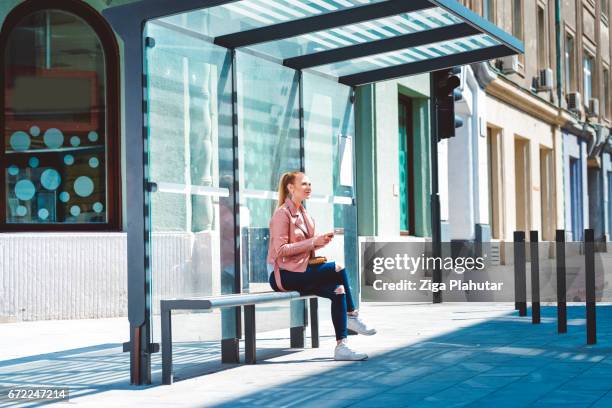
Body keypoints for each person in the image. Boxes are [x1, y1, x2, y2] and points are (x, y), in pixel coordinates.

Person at [267, 171, 376, 361]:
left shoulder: (305, 214)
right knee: (338, 268)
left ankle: (341, 347)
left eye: (310, 184)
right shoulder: (282, 214)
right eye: (304, 184)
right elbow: (280, 250)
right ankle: (352, 315)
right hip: (284, 275)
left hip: (302, 271)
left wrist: (319, 243)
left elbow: (305, 248)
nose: (308, 187)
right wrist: (312, 242)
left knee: (338, 290)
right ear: (291, 188)